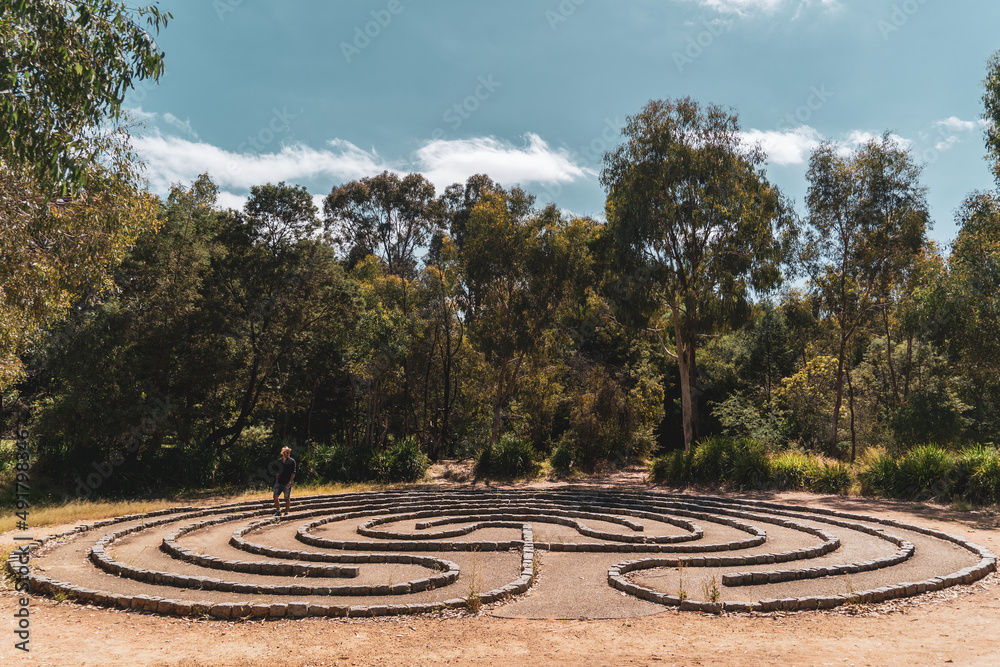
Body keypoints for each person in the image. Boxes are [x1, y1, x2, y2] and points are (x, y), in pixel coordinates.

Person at [273, 446, 296, 516]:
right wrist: (276, 481)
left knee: (287, 498)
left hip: (287, 483)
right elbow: (277, 472)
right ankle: (278, 510)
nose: (288, 453)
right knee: (275, 496)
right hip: (279, 482)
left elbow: (293, 473)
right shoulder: (279, 461)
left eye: (289, 452)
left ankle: (286, 512)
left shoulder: (292, 461)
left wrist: (290, 482)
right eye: (287, 452)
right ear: (283, 453)